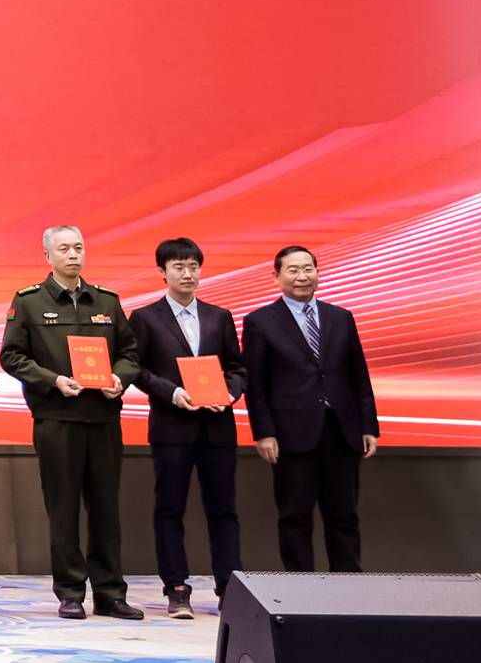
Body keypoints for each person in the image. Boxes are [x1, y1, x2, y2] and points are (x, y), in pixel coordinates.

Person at [0, 227, 144, 620]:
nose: (73, 254)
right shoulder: (29, 302)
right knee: (63, 510)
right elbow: (12, 356)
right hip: (56, 419)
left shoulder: (107, 300)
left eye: (78, 247)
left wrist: (119, 378)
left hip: (103, 418)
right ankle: (70, 592)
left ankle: (110, 593)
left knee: (106, 510)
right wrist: (53, 381)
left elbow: (130, 353)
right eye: (63, 248)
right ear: (47, 256)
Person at [241, 245, 379, 572]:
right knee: (295, 516)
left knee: (344, 516)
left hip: (341, 430)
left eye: (308, 269)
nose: (302, 276)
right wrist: (264, 432)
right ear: (276, 276)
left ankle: (349, 583)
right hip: (291, 434)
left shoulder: (341, 317)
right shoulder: (260, 321)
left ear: (317, 272)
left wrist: (368, 425)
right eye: (293, 270)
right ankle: (300, 586)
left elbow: (358, 375)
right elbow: (256, 384)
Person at [130, 237, 248, 618]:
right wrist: (173, 392)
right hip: (172, 426)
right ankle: (176, 587)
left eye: (193, 266)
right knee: (169, 508)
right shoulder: (145, 318)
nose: (187, 274)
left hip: (217, 426)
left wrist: (229, 394)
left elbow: (237, 367)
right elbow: (137, 370)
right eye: (178, 267)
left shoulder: (219, 316)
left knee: (224, 510)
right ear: (162, 272)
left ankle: (229, 588)